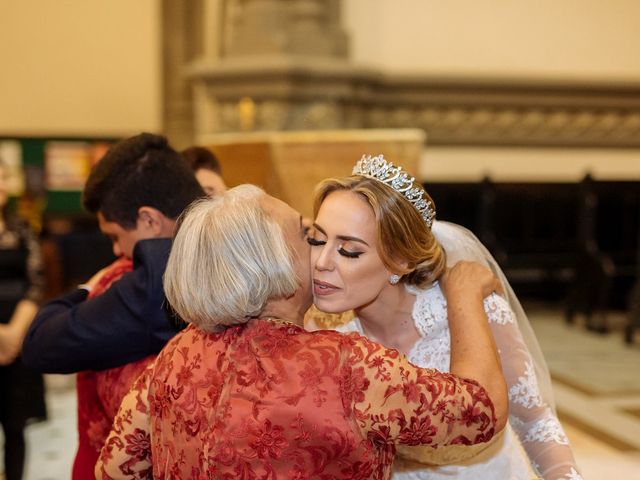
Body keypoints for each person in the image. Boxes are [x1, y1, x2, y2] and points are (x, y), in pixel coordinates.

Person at [96, 184, 508, 479]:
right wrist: (464, 295)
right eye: (308, 235)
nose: (322, 255)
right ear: (273, 261)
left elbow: (115, 469)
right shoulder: (346, 366)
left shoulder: (177, 353)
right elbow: (481, 411)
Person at [307, 154, 583, 480]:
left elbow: (535, 421)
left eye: (349, 250)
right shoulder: (317, 334)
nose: (321, 262)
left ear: (400, 262)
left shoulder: (472, 310)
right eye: (316, 239)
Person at [21, 133, 205, 479]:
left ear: (150, 220)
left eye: (116, 237)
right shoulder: (237, 247)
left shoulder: (160, 275)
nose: (118, 252)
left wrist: (86, 288)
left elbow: (41, 344)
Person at [0, 160, 47, 480]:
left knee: (15, 426)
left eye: (3, 175)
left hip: (17, 336)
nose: (1, 182)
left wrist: (14, 332)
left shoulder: (21, 229)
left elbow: (37, 282)